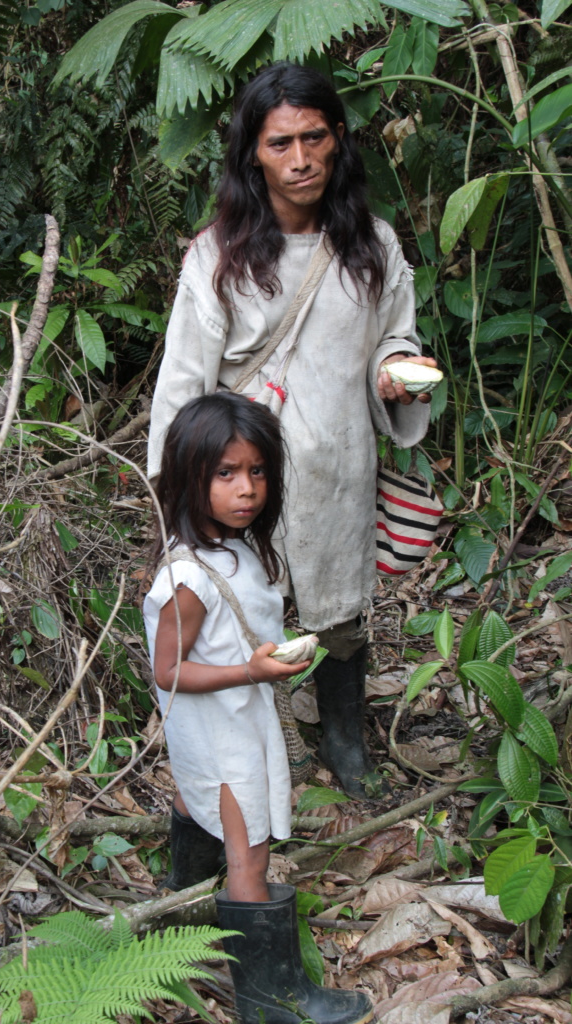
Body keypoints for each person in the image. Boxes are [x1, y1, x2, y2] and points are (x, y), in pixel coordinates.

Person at [147, 61, 436, 801]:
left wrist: (396, 370)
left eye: (314, 137)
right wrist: (173, 497)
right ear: (252, 152)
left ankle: (342, 737)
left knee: (339, 610)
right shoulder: (218, 255)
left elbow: (392, 339)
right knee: (241, 605)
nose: (300, 159)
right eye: (280, 144)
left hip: (339, 462)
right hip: (241, 473)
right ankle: (260, 750)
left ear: (338, 139)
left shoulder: (371, 245)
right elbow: (182, 381)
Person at [143, 391, 373, 1024]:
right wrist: (251, 669)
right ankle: (273, 1000)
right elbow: (167, 670)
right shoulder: (187, 579)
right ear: (192, 476)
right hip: (223, 731)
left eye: (257, 471)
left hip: (234, 721)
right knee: (250, 853)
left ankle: (181, 911)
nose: (246, 489)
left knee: (200, 804)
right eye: (225, 474)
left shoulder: (236, 546)